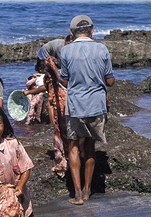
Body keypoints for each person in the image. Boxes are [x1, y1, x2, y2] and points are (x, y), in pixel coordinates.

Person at [47, 15, 115, 205]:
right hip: (96, 104)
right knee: (91, 147)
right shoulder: (102, 49)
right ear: (92, 30)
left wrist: (54, 69)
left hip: (75, 105)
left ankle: (76, 194)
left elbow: (65, 81)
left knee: (74, 147)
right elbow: (110, 80)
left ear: (72, 33)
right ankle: (87, 191)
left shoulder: (66, 51)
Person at [37, 35, 74, 178]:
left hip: (60, 90)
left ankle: (67, 154)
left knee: (63, 124)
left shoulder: (67, 51)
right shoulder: (61, 50)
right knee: (59, 124)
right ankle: (63, 155)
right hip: (46, 58)